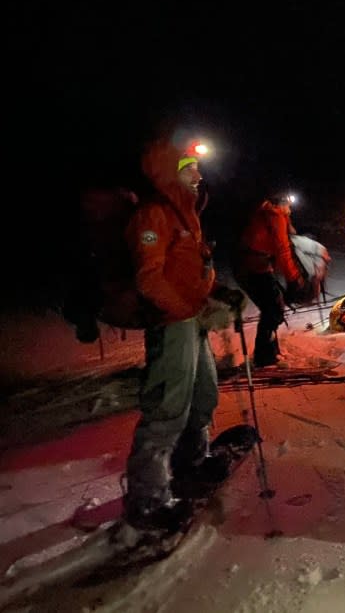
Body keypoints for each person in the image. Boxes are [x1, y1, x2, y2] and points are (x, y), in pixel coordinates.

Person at [123, 134, 246, 531]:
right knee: (167, 408)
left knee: (203, 393)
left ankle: (193, 458)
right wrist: (192, 309)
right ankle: (147, 498)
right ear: (169, 174)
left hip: (191, 320)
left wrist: (217, 292)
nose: (198, 174)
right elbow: (149, 280)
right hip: (171, 323)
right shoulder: (154, 215)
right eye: (190, 168)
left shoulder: (186, 214)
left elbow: (190, 272)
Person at [235, 191, 306, 368]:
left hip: (253, 265)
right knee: (273, 309)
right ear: (281, 203)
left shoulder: (272, 213)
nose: (290, 208)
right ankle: (264, 357)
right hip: (251, 267)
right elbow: (282, 249)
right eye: (288, 203)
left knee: (274, 306)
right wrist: (293, 278)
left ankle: (270, 351)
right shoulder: (275, 216)